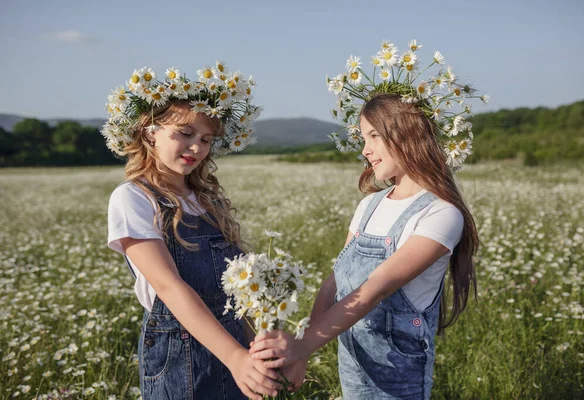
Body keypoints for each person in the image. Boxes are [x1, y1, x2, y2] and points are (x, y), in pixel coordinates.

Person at [250, 41, 484, 399]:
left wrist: (302, 346)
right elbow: (334, 283)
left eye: (374, 136)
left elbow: (377, 287)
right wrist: (301, 350)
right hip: (353, 363)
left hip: (398, 377)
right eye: (363, 138)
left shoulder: (441, 215)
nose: (365, 149)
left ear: (407, 133)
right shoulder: (370, 205)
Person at [105, 64, 279, 399]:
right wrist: (234, 357)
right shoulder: (133, 198)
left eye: (206, 140)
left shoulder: (207, 200)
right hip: (180, 356)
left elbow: (237, 295)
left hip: (234, 346)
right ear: (150, 131)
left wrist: (257, 348)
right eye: (184, 134)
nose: (196, 148)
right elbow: (170, 288)